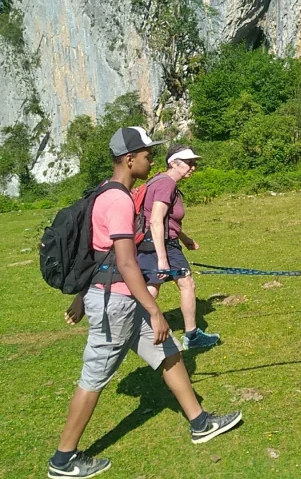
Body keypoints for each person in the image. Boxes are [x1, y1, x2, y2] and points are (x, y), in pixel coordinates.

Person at [48, 127, 242, 479]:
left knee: (167, 351)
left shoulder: (103, 194)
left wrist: (82, 296)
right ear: (129, 159)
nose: (152, 160)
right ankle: (63, 460)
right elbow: (123, 261)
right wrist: (154, 311)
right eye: (148, 155)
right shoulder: (120, 199)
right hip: (116, 304)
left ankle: (200, 422)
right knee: (94, 376)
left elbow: (97, 254)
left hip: (117, 298)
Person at [136, 144, 220, 350]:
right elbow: (156, 220)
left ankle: (130, 326)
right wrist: (163, 258)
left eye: (194, 163)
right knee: (187, 283)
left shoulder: (157, 180)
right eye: (189, 163)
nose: (193, 167)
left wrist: (185, 238)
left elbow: (166, 220)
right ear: (173, 163)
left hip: (150, 243)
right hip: (162, 244)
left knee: (151, 288)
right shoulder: (167, 184)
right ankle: (192, 335)